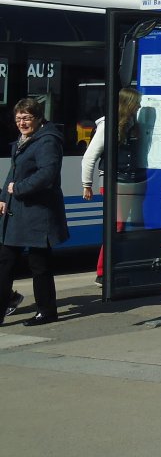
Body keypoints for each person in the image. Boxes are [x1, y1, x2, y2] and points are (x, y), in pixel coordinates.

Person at [0, 98, 69, 326]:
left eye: (27, 118)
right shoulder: (23, 141)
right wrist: (4, 197)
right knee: (5, 261)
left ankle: (46, 311)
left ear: (38, 118)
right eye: (18, 118)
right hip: (18, 212)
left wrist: (18, 189)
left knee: (39, 264)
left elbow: (47, 174)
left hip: (39, 213)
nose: (22, 123)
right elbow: (13, 172)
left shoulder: (47, 141)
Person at [83, 87, 145, 283]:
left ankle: (115, 267)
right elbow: (89, 157)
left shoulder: (132, 124)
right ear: (128, 104)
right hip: (114, 182)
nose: (139, 106)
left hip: (129, 180)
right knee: (116, 226)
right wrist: (87, 184)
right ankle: (103, 272)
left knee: (124, 226)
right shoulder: (107, 125)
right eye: (136, 102)